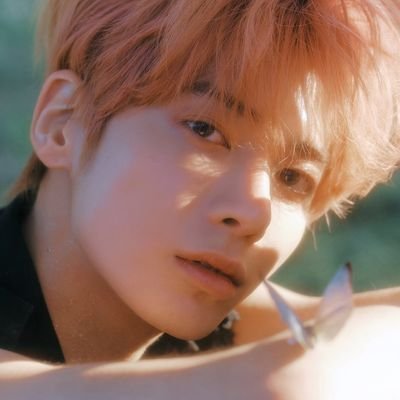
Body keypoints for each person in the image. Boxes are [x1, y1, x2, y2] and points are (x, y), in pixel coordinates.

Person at [1, 0, 400, 398]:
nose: (254, 213)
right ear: (63, 121)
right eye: (203, 129)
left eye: (292, 177)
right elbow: (286, 387)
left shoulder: (199, 297)